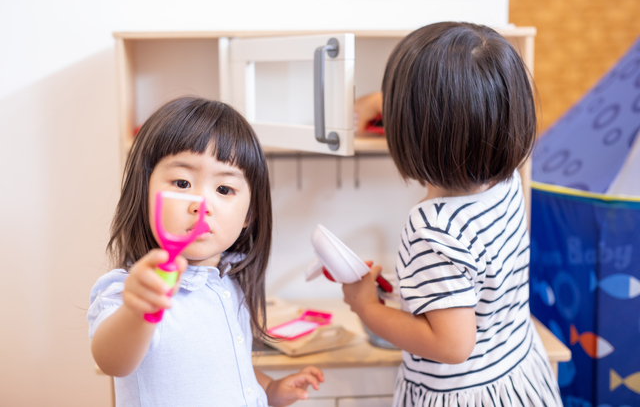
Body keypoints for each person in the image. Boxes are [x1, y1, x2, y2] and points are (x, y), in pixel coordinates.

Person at [343, 22, 562, 406]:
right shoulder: (507, 179)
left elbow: (450, 345)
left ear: (407, 127)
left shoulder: (432, 225)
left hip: (463, 394)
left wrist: (366, 307)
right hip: (517, 373)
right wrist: (379, 103)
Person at [88, 97, 323, 407]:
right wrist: (137, 310)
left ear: (249, 215)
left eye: (224, 189)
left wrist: (270, 389)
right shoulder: (129, 289)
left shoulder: (230, 280)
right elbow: (113, 361)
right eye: (182, 182)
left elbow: (229, 364)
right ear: (143, 191)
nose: (202, 204)